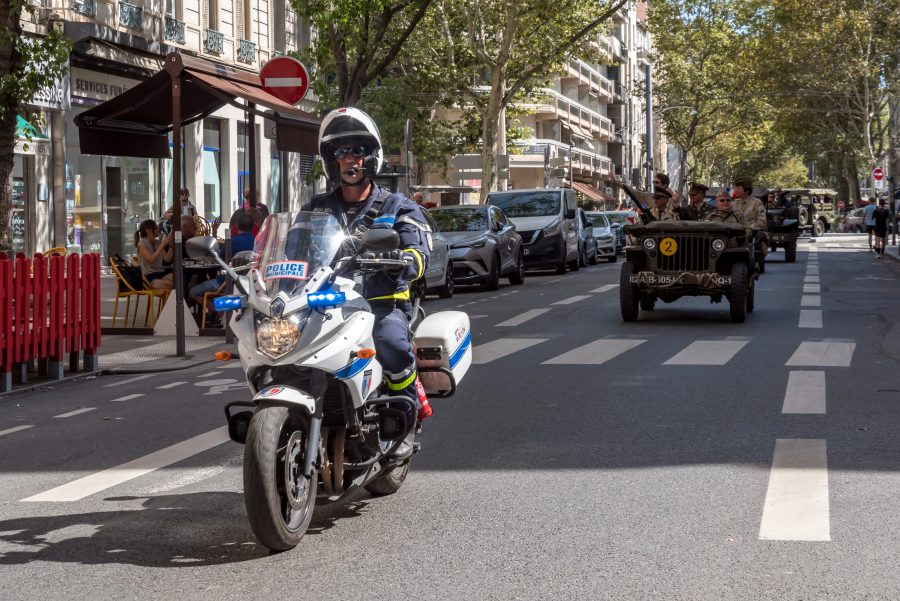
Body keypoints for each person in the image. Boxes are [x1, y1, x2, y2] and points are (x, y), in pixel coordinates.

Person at [303, 107, 431, 458]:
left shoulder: (397, 206)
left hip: (381, 302)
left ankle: (403, 419)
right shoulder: (316, 208)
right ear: (331, 161)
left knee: (391, 343)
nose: (349, 159)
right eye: (341, 152)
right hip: (324, 304)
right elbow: (292, 247)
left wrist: (405, 260)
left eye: (357, 151)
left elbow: (419, 250)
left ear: (371, 156)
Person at [189, 213, 256, 326]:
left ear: (237, 226)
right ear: (253, 227)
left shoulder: (231, 241)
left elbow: (217, 258)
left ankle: (217, 311)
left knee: (193, 292)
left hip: (225, 282)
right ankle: (219, 314)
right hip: (248, 284)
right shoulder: (256, 242)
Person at [732, 176, 767, 256]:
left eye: (739, 188)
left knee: (760, 235)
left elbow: (762, 222)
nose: (735, 190)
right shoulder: (734, 203)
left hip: (751, 233)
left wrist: (748, 228)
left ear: (746, 190)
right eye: (735, 187)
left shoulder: (757, 203)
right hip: (735, 232)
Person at [135, 219, 174, 289]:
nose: (158, 229)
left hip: (160, 274)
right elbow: (151, 259)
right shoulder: (142, 245)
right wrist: (162, 245)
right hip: (149, 277)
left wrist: (171, 246)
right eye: (156, 228)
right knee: (174, 285)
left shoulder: (157, 242)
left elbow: (167, 259)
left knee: (180, 278)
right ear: (148, 230)